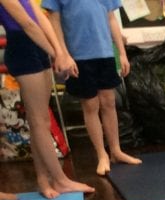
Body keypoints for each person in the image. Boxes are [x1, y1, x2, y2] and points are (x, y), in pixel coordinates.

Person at [0, 0, 94, 198]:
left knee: (42, 120)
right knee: (38, 121)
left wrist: (60, 52)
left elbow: (40, 18)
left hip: (38, 44)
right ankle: (60, 179)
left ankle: (44, 180)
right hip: (23, 48)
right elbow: (27, 24)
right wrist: (57, 54)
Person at [42, 0, 142, 175]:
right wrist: (63, 54)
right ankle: (101, 154)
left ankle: (116, 150)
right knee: (90, 105)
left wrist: (122, 53)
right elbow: (54, 20)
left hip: (105, 53)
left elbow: (111, 18)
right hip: (78, 56)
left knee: (109, 101)